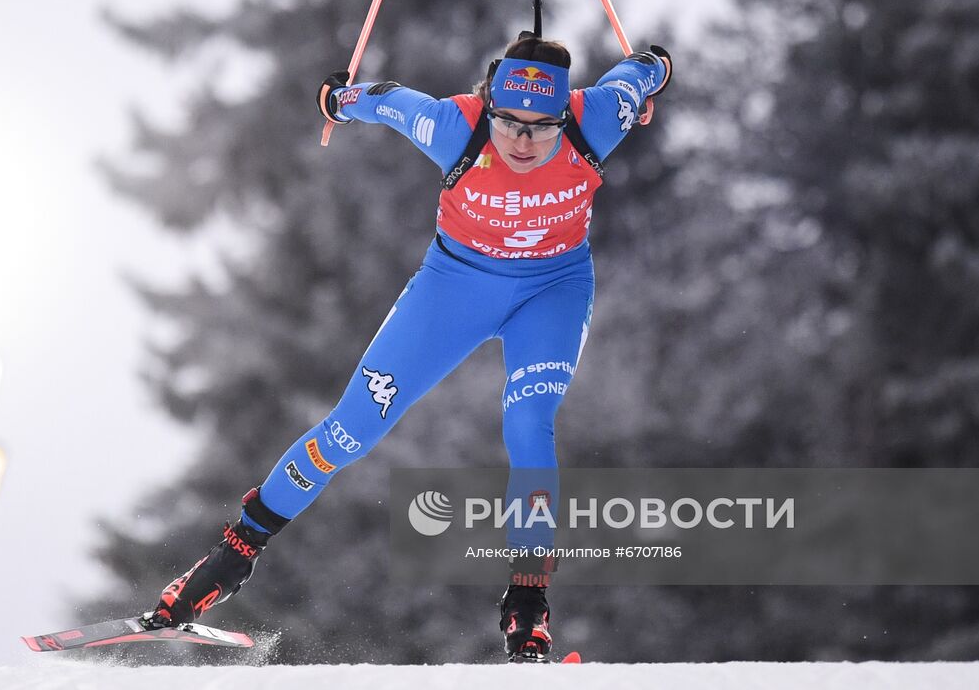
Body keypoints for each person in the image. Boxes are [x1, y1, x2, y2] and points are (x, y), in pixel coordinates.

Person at [141, 33, 671, 662]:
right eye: (509, 122)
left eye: (541, 127)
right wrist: (338, 99)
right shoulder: (453, 126)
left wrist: (656, 66)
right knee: (351, 429)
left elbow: (637, 72)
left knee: (530, 426)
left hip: (551, 292)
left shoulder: (597, 120)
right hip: (453, 289)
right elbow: (386, 99)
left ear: (565, 115)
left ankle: (527, 609)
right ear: (488, 105)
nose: (523, 142)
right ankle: (224, 565)